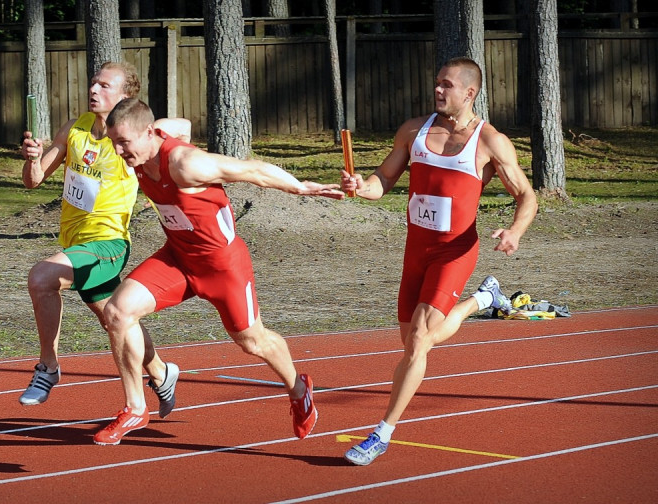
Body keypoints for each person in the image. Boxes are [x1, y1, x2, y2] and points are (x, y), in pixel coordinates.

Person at [91, 97, 344, 446]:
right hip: (178, 258)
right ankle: (135, 406)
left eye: (124, 142)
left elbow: (250, 170)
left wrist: (301, 187)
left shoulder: (186, 164)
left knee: (252, 341)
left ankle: (299, 389)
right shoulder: (147, 142)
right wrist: (161, 128)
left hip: (223, 266)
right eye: (114, 142)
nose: (119, 151)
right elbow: (179, 125)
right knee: (117, 312)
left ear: (148, 133)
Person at [340, 57, 538, 466]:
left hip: (455, 252)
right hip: (416, 252)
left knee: (418, 341)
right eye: (436, 83)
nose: (437, 90)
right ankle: (481, 300)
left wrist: (515, 232)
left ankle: (381, 434)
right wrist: (361, 187)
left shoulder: (490, 141)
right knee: (414, 340)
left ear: (470, 92)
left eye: (446, 85)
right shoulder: (414, 130)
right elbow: (384, 181)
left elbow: (526, 195)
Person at [18, 61, 191, 420]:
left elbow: (185, 128)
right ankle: (161, 372)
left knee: (42, 278)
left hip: (109, 244)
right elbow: (34, 181)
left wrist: (151, 125)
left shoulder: (134, 138)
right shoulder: (76, 128)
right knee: (117, 320)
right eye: (93, 83)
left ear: (125, 96)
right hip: (76, 244)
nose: (94, 90)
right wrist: (32, 159)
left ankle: (47, 368)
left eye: (104, 86)